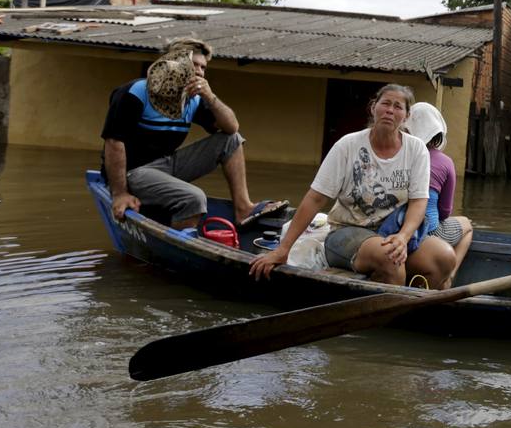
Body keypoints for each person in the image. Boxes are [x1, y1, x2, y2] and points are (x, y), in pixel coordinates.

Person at [248, 84, 457, 288]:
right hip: (348, 231)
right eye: (385, 104)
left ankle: (397, 295)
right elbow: (316, 199)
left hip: (393, 231)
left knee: (444, 258)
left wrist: (403, 236)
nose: (390, 111)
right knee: (390, 258)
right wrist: (283, 249)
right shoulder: (348, 145)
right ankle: (382, 306)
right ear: (373, 107)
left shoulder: (416, 149)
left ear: (407, 116)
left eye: (397, 106)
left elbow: (419, 202)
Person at [101, 37, 284, 230]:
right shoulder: (135, 92)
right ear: (176, 62)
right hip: (133, 172)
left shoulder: (194, 99)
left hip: (166, 165)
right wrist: (119, 193)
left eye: (203, 67)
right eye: (194, 64)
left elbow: (232, 128)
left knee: (231, 140)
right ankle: (176, 245)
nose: (199, 71)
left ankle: (243, 208)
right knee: (194, 198)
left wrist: (210, 97)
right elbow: (114, 143)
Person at [403, 102, 473, 286]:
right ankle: (449, 277)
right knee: (467, 225)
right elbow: (444, 212)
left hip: (398, 228)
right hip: (430, 231)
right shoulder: (445, 162)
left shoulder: (399, 155)